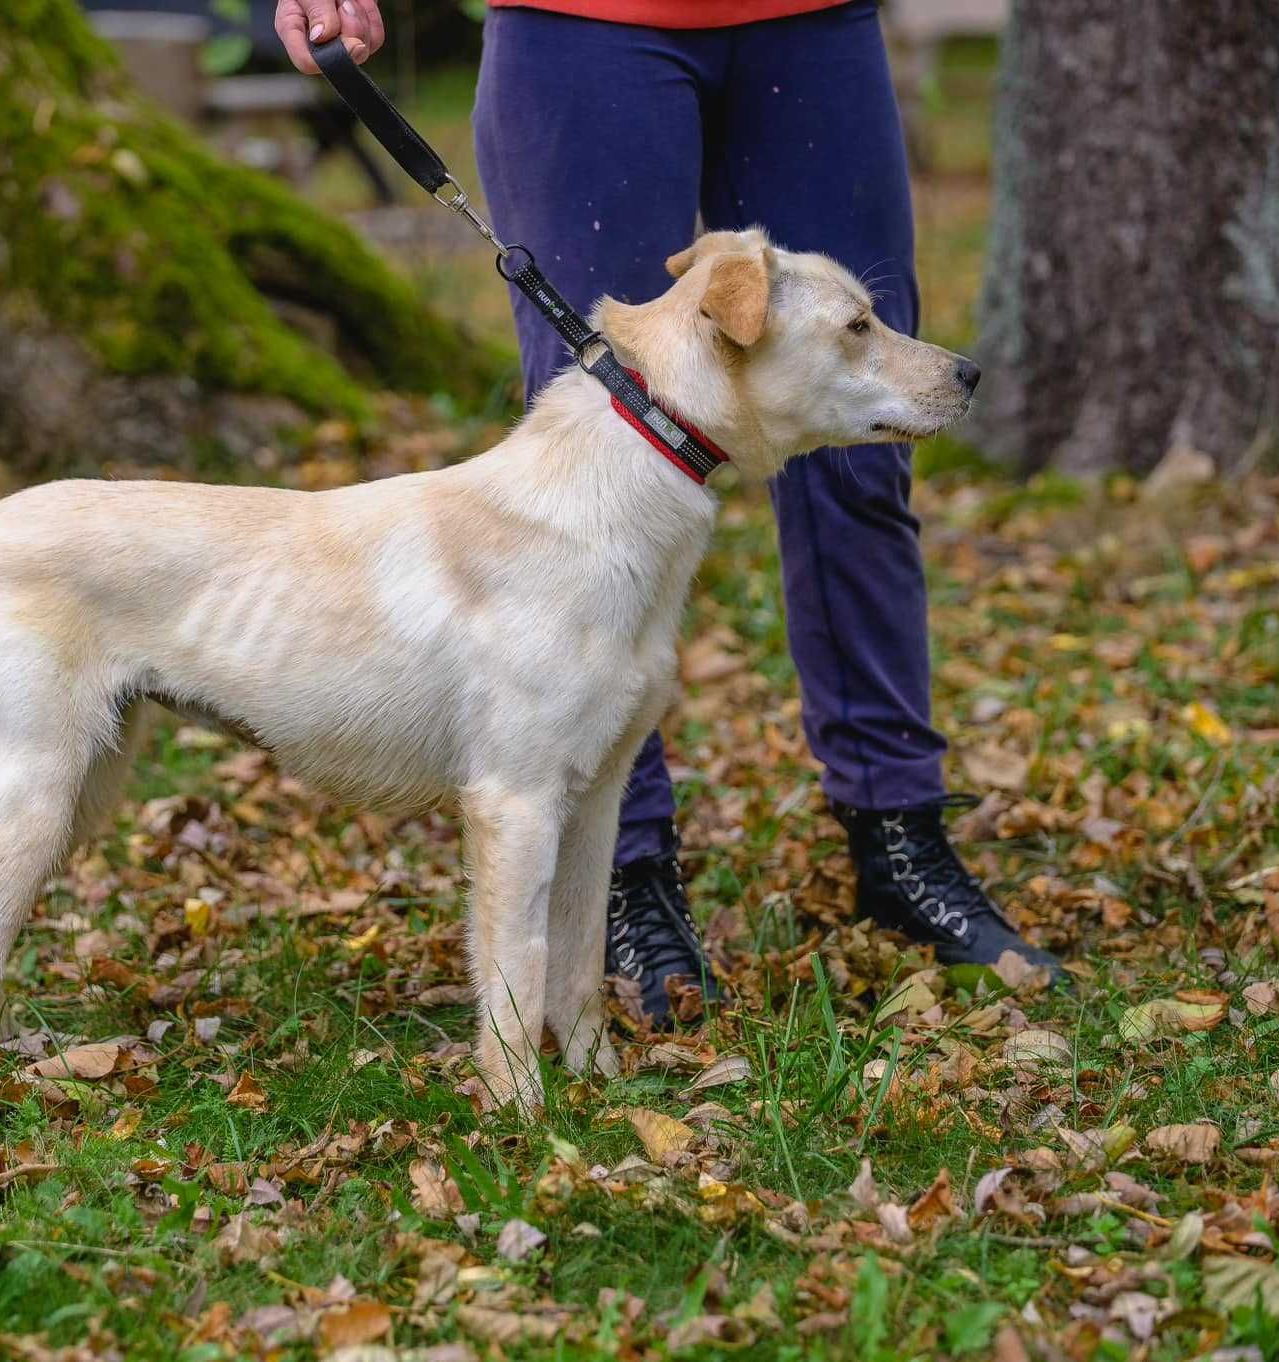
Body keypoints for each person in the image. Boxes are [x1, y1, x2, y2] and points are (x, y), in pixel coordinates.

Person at [277, 0, 1064, 1025]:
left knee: (866, 435)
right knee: (594, 450)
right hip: (581, 27)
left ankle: (897, 835)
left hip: (807, 23)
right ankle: (628, 877)